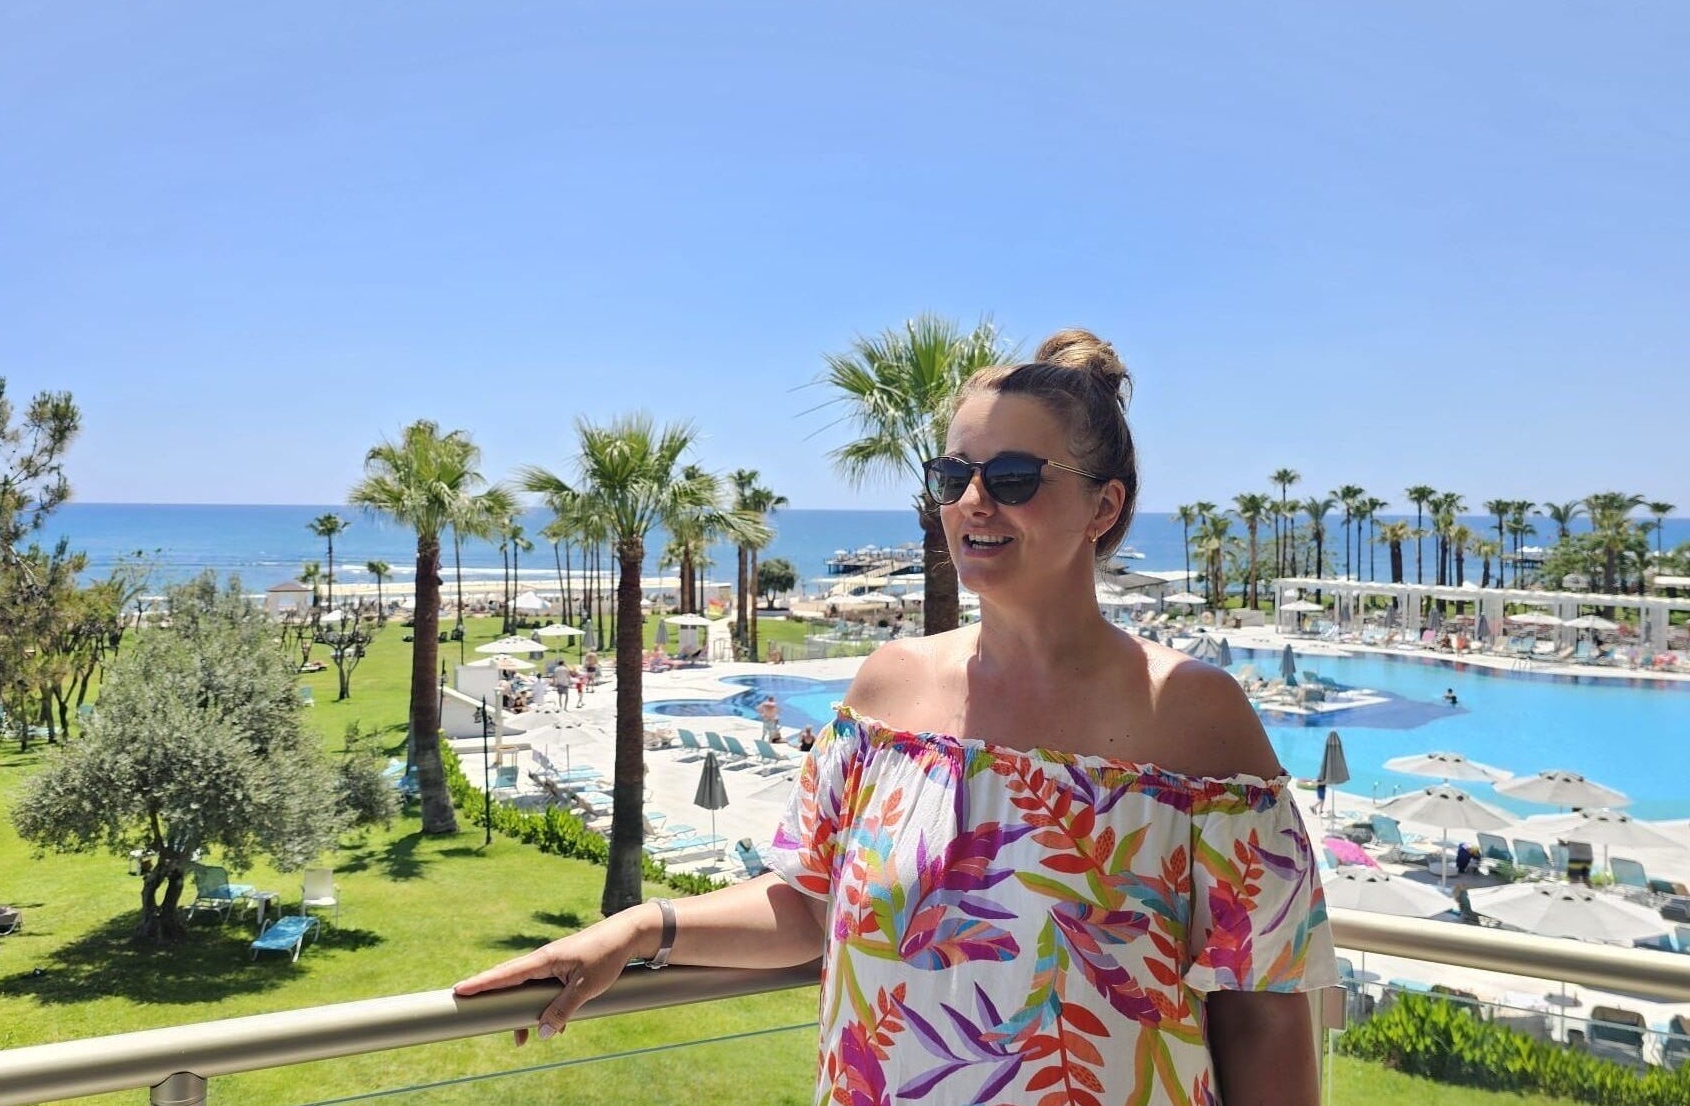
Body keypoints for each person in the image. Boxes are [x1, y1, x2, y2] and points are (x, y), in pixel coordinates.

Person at [454, 329, 1335, 1104]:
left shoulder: (1191, 717)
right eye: (954, 475)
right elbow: (806, 904)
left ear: (1103, 506)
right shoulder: (888, 694)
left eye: (1015, 478)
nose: (974, 501)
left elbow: (1264, 1017)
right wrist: (641, 928)